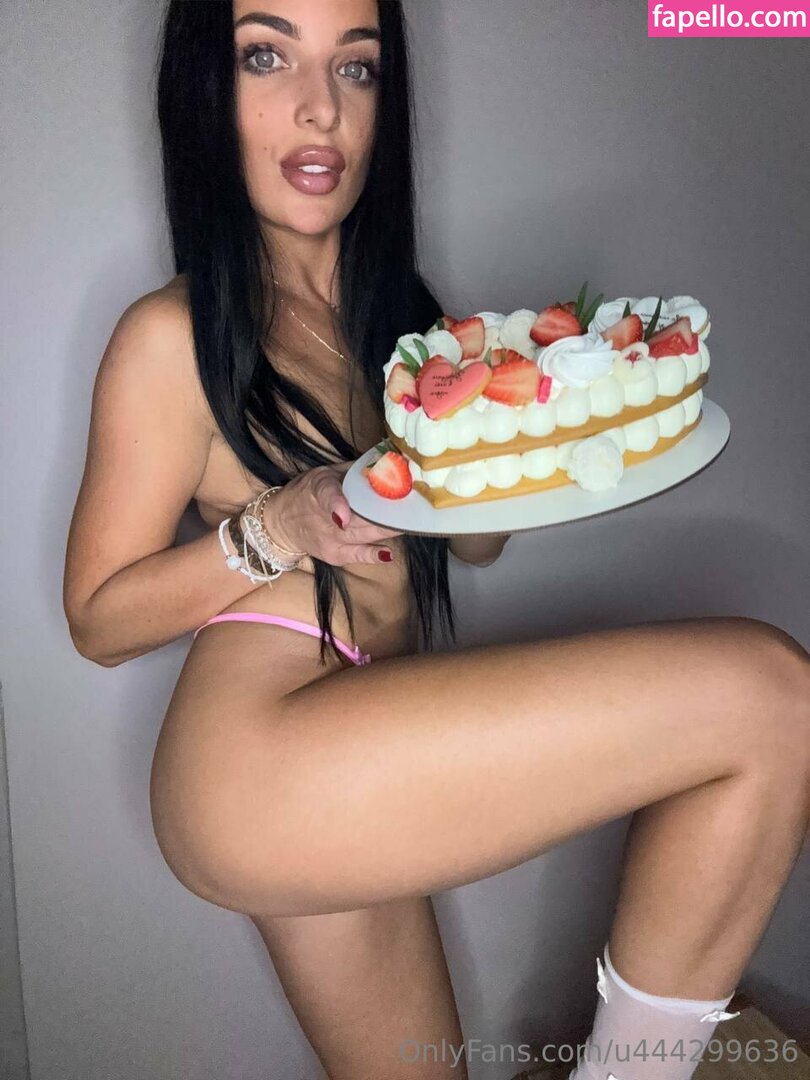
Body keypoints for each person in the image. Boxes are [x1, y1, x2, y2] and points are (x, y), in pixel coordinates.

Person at [62, 2, 810, 1079]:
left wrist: (526, 436)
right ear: (202, 94)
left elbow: (473, 548)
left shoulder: (400, 317)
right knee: (772, 696)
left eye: (357, 68)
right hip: (261, 750)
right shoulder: (170, 333)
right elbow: (98, 621)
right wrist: (280, 523)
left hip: (361, 721)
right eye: (266, 57)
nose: (321, 108)